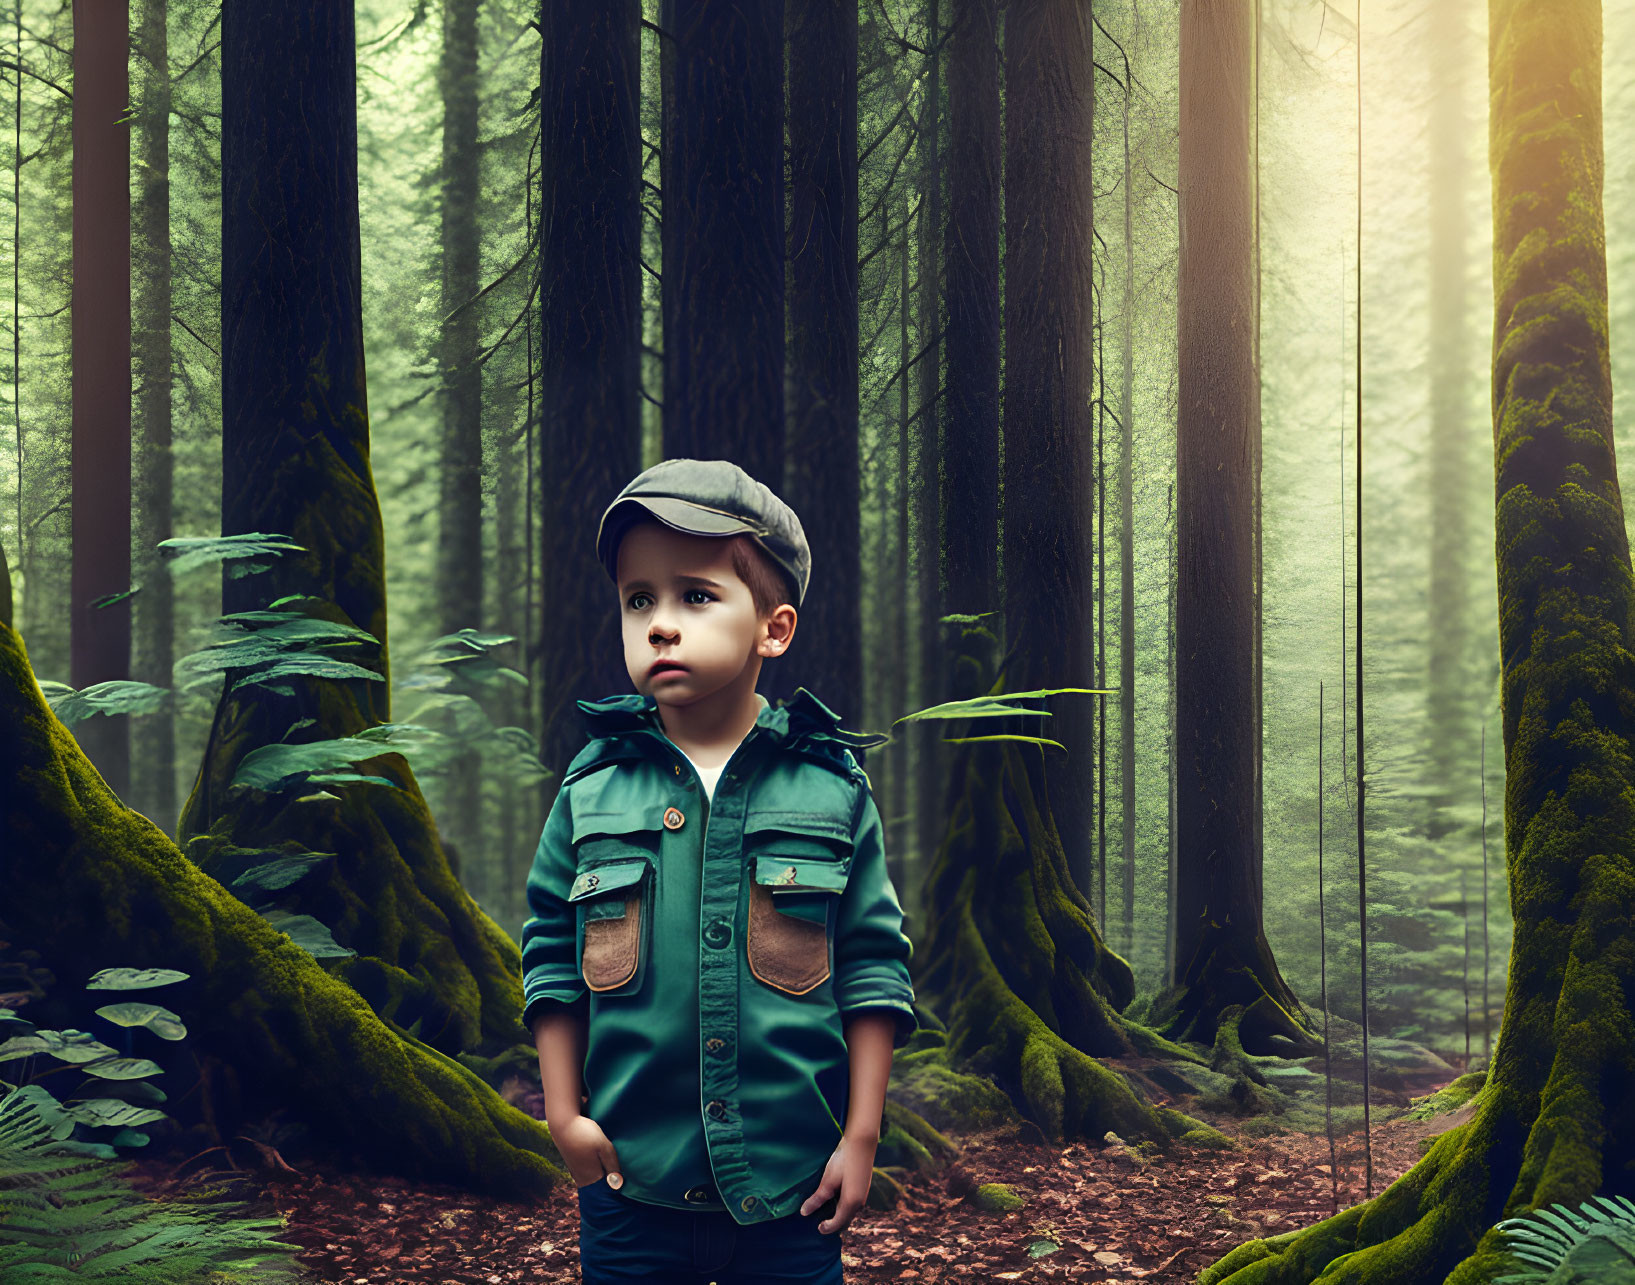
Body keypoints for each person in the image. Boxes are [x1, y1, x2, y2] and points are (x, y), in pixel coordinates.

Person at [520, 458, 918, 1285]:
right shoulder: (590, 790)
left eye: (695, 595)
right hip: (631, 1188)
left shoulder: (832, 790)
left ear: (773, 629)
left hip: (791, 1192)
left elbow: (874, 967)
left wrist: (861, 1136)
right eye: (639, 600)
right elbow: (551, 956)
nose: (661, 623)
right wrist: (564, 1117)